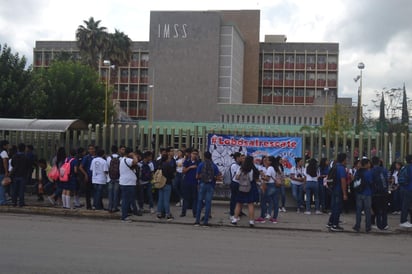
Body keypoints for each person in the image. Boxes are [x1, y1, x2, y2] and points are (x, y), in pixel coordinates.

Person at [231, 155, 259, 227]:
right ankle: (251, 221)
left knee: (239, 204)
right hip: (250, 187)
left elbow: (237, 177)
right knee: (250, 204)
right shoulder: (253, 169)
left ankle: (235, 219)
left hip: (241, 187)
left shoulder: (241, 168)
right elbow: (253, 179)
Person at [194, 151, 220, 227]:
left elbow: (197, 176)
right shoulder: (214, 166)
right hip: (211, 185)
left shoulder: (201, 164)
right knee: (208, 203)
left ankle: (197, 221)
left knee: (199, 202)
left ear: (204, 157)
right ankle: (206, 221)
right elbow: (217, 177)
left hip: (202, 184)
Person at [327, 153, 348, 231]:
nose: (347, 161)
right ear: (344, 160)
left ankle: (330, 222)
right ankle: (335, 225)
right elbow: (343, 181)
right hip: (339, 190)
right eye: (346, 159)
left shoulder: (335, 166)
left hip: (333, 189)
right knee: (338, 208)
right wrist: (345, 193)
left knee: (334, 207)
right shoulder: (341, 168)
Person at [352, 158, 372, 233]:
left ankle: (357, 226)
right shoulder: (368, 173)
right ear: (366, 164)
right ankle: (368, 227)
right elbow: (370, 182)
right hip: (367, 194)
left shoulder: (357, 172)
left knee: (358, 210)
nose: (370, 165)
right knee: (367, 211)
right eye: (369, 163)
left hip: (359, 193)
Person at [119, 148, 139, 222]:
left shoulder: (123, 160)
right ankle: (124, 216)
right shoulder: (127, 160)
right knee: (126, 200)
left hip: (126, 182)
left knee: (126, 200)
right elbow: (135, 162)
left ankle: (125, 214)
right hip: (127, 183)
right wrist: (134, 155)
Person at [370, 156, 389, 230]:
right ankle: (385, 224)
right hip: (384, 192)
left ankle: (379, 225)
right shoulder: (384, 170)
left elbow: (371, 182)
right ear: (379, 162)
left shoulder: (371, 171)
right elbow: (386, 180)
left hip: (375, 193)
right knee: (384, 209)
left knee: (378, 210)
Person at [181, 148, 200, 217]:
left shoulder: (198, 162)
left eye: (196, 154)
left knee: (195, 198)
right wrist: (190, 167)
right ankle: (183, 212)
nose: (194, 155)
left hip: (194, 182)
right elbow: (183, 171)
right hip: (187, 182)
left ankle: (194, 213)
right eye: (193, 154)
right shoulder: (187, 161)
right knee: (186, 198)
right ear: (191, 154)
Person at [10, 143, 30, 207]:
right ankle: (21, 203)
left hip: (15, 175)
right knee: (21, 190)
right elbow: (28, 166)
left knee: (14, 190)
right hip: (23, 175)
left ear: (18, 149)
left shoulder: (14, 156)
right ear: (24, 149)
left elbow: (12, 164)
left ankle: (14, 202)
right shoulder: (26, 157)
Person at [156, 152, 175, 220]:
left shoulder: (160, 165)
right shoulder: (168, 166)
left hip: (160, 183)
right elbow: (172, 175)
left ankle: (159, 213)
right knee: (166, 200)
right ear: (167, 159)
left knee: (160, 199)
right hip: (167, 183)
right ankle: (167, 214)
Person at [79, 145, 96, 209]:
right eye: (90, 149)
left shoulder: (96, 157)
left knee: (96, 192)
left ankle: (96, 204)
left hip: (95, 178)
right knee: (88, 192)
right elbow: (80, 167)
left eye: (92, 149)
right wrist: (85, 174)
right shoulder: (86, 157)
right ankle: (88, 205)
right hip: (88, 177)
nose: (91, 150)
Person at [229, 152, 244, 222]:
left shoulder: (240, 165)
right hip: (235, 183)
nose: (242, 158)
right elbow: (237, 176)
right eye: (241, 157)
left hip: (239, 183)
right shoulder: (234, 166)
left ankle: (238, 212)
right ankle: (232, 214)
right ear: (237, 158)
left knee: (238, 199)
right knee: (234, 199)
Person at [107, 145, 121, 213]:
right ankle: (115, 207)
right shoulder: (120, 158)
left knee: (110, 193)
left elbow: (107, 167)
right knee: (116, 193)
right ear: (117, 150)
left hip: (110, 178)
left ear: (111, 150)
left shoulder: (109, 158)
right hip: (118, 178)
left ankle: (110, 207)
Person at [399, 155, 412, 228]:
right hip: (409, 189)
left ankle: (404, 220)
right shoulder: (410, 168)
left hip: (403, 188)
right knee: (406, 205)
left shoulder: (404, 167)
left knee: (405, 205)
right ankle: (403, 221)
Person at [0, 140, 10, 205]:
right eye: (7, 145)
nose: (8, 146)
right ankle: (3, 201)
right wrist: (6, 171)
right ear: (4, 145)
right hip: (2, 172)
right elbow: (4, 161)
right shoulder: (3, 152)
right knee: (2, 186)